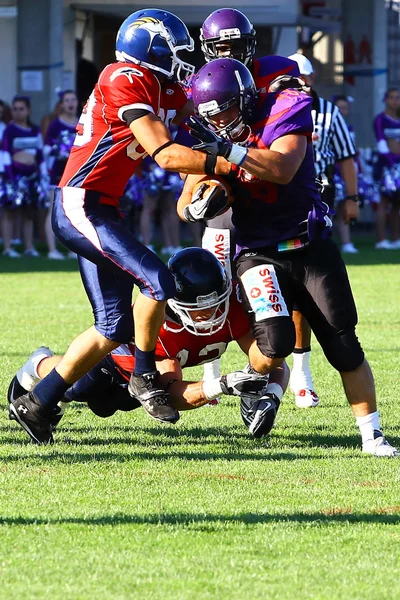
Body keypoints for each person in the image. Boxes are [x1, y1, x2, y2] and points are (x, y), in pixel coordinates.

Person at [9, 9, 235, 446]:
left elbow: (197, 137)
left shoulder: (164, 87)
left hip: (104, 209)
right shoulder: (123, 76)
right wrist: (230, 162)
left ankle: (38, 402)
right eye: (177, 51)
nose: (184, 61)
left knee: (113, 327)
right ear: (150, 50)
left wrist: (213, 176)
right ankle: (146, 376)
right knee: (158, 281)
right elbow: (166, 154)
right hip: (80, 204)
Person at [178, 58, 398, 457]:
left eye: (226, 109)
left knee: (343, 342)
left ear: (245, 100)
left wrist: (229, 151)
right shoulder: (210, 132)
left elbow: (282, 167)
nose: (220, 121)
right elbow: (185, 200)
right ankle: (253, 383)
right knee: (276, 340)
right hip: (257, 252)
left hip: (308, 243)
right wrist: (200, 201)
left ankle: (373, 435)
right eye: (212, 115)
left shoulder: (283, 108)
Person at [9, 248, 282, 443]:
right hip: (121, 357)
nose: (210, 315)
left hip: (148, 375)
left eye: (215, 305)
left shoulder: (233, 310)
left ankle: (60, 396)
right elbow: (170, 393)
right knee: (82, 387)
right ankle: (38, 364)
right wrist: (222, 385)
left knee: (110, 406)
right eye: (200, 310)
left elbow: (272, 357)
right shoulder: (162, 326)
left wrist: (268, 390)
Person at [195, 8, 318, 406]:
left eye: (234, 44)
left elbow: (287, 133)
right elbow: (196, 148)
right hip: (228, 190)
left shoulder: (279, 75)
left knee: (291, 291)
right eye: (220, 46)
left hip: (268, 187)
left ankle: (295, 373)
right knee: (211, 285)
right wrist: (201, 185)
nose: (227, 52)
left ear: (250, 45)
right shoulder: (202, 83)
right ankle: (212, 369)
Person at [1, 96, 48, 258]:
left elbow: (40, 154)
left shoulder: (35, 130)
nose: (18, 112)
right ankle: (8, 247)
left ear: (28, 110)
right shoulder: (9, 130)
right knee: (10, 212)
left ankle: (29, 246)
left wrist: (42, 175)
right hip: (13, 177)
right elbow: (6, 154)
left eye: (21, 109)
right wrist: (10, 177)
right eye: (15, 109)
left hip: (32, 177)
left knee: (29, 212)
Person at [44, 89, 79, 259]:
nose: (71, 103)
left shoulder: (82, 123)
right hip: (57, 173)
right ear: (62, 104)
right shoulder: (55, 125)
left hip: (76, 174)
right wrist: (60, 150)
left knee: (73, 211)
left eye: (73, 100)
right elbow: (47, 150)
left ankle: (74, 250)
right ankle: (52, 250)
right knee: (53, 210)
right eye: (67, 100)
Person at [373, 88, 400, 249]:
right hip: (386, 166)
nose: (395, 101)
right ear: (386, 99)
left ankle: (396, 239)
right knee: (384, 202)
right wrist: (391, 162)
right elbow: (381, 142)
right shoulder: (380, 119)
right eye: (392, 98)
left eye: (398, 98)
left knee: (398, 203)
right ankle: (381, 240)